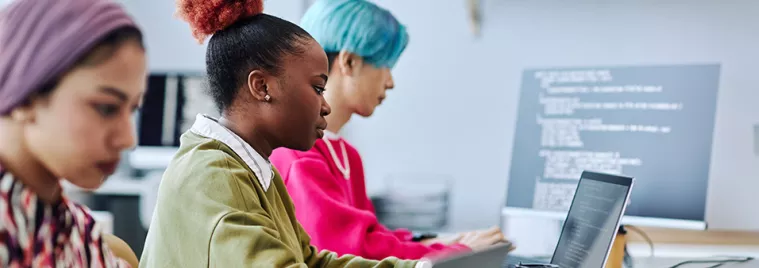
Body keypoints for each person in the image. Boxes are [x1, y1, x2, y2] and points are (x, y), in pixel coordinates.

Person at [139, 0, 429, 267]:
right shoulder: (211, 176)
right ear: (262, 87)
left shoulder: (257, 173)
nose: (326, 106)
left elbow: (311, 261)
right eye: (317, 88)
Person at [270, 0, 511, 261]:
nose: (390, 81)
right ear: (349, 62)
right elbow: (350, 251)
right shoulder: (297, 153)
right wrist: (457, 251)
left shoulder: (347, 155)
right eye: (385, 65)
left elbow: (370, 235)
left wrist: (439, 241)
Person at [0, 0, 147, 267]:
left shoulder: (85, 238)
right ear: (25, 100)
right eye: (106, 108)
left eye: (132, 109)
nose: (128, 139)